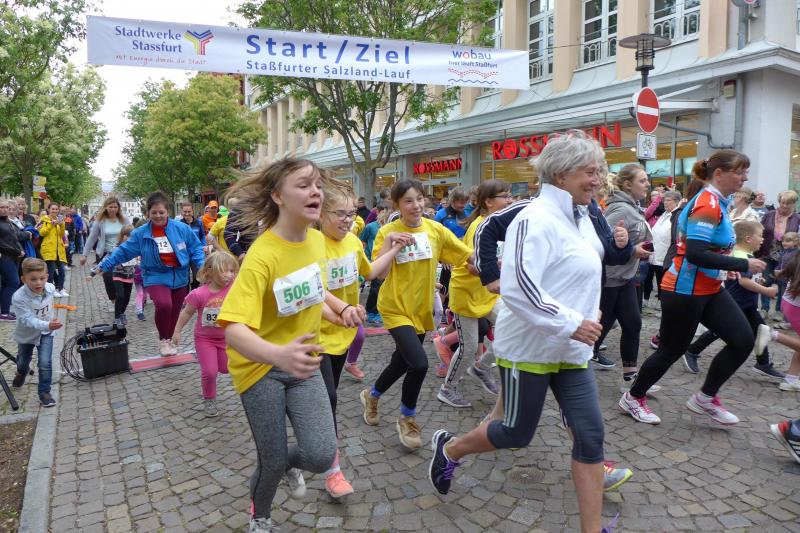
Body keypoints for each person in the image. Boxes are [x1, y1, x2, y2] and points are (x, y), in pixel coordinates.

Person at [428, 132, 607, 533]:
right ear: (561, 174)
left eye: (599, 171)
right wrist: (573, 322)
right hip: (530, 346)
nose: (597, 179)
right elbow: (521, 287)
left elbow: (585, 271)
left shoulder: (582, 214)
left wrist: (589, 312)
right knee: (515, 431)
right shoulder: (534, 217)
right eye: (589, 171)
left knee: (590, 435)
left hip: (572, 350)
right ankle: (450, 448)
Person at [216, 158, 363, 533]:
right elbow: (233, 329)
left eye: (318, 185)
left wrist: (340, 309)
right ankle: (260, 517)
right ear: (278, 196)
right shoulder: (262, 255)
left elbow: (314, 289)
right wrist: (278, 354)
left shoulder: (316, 241)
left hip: (303, 363)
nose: (315, 192)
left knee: (320, 454)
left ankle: (286, 464)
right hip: (260, 368)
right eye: (303, 185)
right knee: (271, 459)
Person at [619, 150, 766, 426]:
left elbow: (711, 249)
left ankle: (705, 398)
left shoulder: (720, 201)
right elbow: (696, 253)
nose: (745, 178)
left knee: (742, 339)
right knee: (671, 350)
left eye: (746, 172)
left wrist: (725, 266)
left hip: (709, 288)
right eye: (740, 172)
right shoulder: (707, 204)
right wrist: (743, 264)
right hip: (684, 290)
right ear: (719, 174)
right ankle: (633, 397)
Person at [361, 178, 472, 450]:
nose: (416, 205)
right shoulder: (387, 231)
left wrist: (494, 267)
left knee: (401, 362)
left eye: (420, 199)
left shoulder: (435, 230)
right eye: (408, 201)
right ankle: (407, 418)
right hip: (395, 308)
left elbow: (465, 255)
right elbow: (379, 273)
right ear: (396, 204)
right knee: (419, 364)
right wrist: (391, 244)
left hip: (422, 309)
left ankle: (372, 395)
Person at [317, 179, 410, 497]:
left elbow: (371, 273)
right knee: (328, 400)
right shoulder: (311, 244)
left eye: (350, 213)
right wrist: (342, 309)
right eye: (339, 214)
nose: (347, 220)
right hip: (314, 336)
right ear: (321, 213)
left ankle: (310, 447)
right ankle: (332, 470)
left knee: (325, 399)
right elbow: (316, 290)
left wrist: (393, 248)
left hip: (341, 336)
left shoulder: (353, 242)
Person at [97, 192, 205, 356]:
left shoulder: (182, 229)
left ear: (167, 212)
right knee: (164, 305)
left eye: (161, 212)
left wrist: (202, 266)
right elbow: (124, 251)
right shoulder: (140, 233)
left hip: (180, 276)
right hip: (155, 275)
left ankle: (169, 339)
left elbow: (195, 248)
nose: (158, 216)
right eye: (154, 212)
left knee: (175, 310)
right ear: (148, 213)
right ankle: (163, 340)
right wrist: (105, 265)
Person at [437, 180, 511, 408]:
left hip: (488, 292)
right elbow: (471, 266)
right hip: (466, 293)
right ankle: (447, 389)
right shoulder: (480, 226)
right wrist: (497, 268)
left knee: (514, 329)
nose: (510, 201)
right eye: (505, 196)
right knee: (468, 348)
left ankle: (481, 367)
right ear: (488, 202)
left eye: (510, 196)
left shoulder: (501, 223)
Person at [682, 220, 784, 379]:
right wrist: (767, 291)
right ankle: (692, 351)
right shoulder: (740, 256)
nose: (763, 239)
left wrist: (759, 280)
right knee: (718, 331)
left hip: (747, 305)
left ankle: (763, 363)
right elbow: (743, 282)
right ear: (748, 239)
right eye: (760, 236)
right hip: (736, 303)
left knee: (761, 330)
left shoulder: (747, 255)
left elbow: (747, 279)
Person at [591, 165, 653, 388]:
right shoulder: (620, 209)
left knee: (632, 323)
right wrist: (632, 250)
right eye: (642, 181)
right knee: (597, 328)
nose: (647, 184)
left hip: (623, 278)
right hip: (609, 279)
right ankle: (574, 367)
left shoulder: (632, 207)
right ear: (627, 184)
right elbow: (602, 242)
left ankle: (630, 377)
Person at [172, 252, 238, 417]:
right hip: (205, 339)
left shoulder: (235, 288)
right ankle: (209, 399)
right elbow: (187, 313)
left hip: (227, 338)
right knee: (210, 372)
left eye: (232, 271)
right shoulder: (199, 294)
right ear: (210, 271)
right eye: (224, 270)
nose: (229, 275)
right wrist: (177, 331)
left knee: (226, 368)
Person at [10, 258, 63, 407]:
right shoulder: (18, 297)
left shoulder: (50, 288)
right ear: (24, 279)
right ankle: (21, 372)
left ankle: (44, 392)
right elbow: (27, 319)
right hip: (27, 335)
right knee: (23, 362)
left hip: (46, 333)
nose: (38, 283)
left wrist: (52, 319)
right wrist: (48, 324)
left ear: (47, 276)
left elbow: (49, 306)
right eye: (33, 279)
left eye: (42, 278)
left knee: (45, 362)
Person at [81, 197, 130, 312]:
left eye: (115, 207)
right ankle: (114, 299)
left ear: (118, 208)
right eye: (110, 207)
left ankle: (119, 302)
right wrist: (84, 255)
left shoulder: (124, 220)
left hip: (120, 254)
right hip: (104, 254)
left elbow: (132, 234)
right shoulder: (100, 221)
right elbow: (92, 238)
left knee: (119, 279)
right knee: (108, 279)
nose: (113, 209)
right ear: (106, 207)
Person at [758, 190, 800, 320]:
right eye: (782, 203)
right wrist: (758, 251)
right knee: (765, 281)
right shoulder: (769, 215)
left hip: (788, 257)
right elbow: (760, 231)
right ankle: (764, 308)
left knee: (784, 284)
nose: (784, 206)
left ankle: (779, 311)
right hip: (767, 253)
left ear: (794, 204)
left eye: (788, 203)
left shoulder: (797, 218)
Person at [360, 204, 388, 325]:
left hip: (387, 261)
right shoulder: (370, 227)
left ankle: (379, 311)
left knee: (383, 288)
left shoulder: (392, 228)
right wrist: (366, 257)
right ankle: (371, 311)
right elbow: (362, 241)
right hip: (374, 260)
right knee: (376, 287)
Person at [0, 200, 27, 320]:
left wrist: (20, 250)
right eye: (2, 207)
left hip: (14, 257)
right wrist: (16, 251)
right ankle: (4, 313)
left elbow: (15, 238)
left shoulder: (8, 222)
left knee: (7, 284)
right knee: (13, 282)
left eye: (6, 207)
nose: (5, 209)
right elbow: (2, 245)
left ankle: (5, 311)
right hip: (5, 257)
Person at [39, 202, 69, 298]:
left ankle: (60, 289)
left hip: (59, 249)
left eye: (56, 209)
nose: (54, 211)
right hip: (49, 249)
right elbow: (42, 233)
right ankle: (50, 290)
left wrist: (62, 224)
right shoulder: (44, 220)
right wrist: (51, 225)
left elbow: (61, 234)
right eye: (53, 209)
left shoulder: (59, 220)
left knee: (62, 270)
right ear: (49, 210)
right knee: (51, 271)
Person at [179, 202, 208, 290]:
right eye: (185, 212)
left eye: (189, 211)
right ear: (181, 212)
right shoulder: (179, 224)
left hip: (196, 253)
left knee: (197, 275)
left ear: (192, 211)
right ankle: (186, 294)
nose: (187, 214)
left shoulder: (198, 223)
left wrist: (204, 245)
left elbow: (202, 236)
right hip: (184, 253)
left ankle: (194, 290)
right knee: (185, 277)